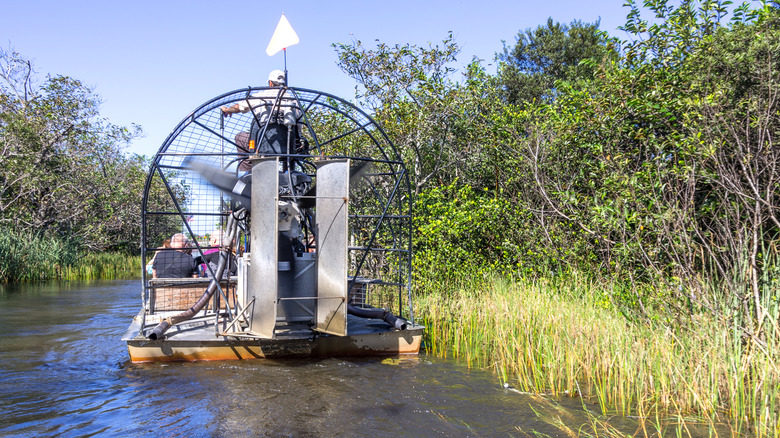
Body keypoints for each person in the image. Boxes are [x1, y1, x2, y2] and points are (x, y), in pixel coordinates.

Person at [221, 70, 306, 171]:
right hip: (287, 145)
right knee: (292, 145)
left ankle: (247, 173)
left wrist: (227, 110)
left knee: (240, 137)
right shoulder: (294, 101)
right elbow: (299, 127)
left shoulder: (261, 96)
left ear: (270, 83)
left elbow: (240, 107)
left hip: (261, 144)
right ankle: (289, 172)